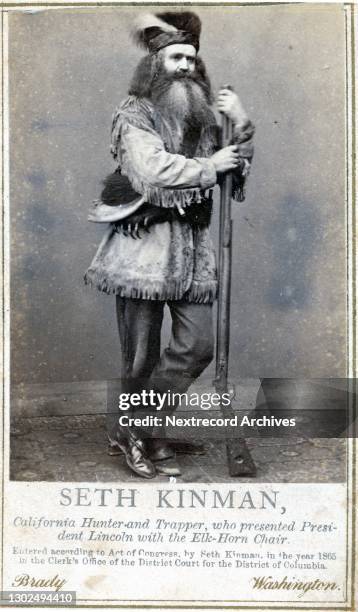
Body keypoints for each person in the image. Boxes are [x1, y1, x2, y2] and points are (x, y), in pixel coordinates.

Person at [85, 11, 255, 478]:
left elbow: (234, 165)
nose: (185, 66)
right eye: (176, 56)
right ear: (155, 63)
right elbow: (151, 170)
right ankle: (140, 435)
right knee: (139, 357)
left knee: (197, 344)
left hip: (192, 255)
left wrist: (240, 122)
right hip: (143, 250)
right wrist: (210, 165)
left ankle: (142, 426)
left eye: (191, 59)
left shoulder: (202, 116)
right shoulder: (133, 112)